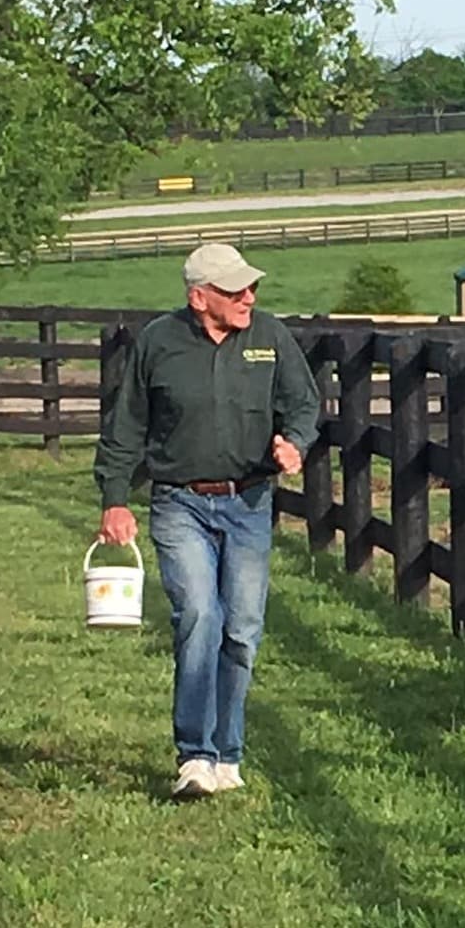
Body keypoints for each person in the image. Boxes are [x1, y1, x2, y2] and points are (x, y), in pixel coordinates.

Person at [93, 242, 320, 800]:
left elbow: (304, 405)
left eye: (251, 288)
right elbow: (126, 427)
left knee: (241, 628)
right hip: (180, 503)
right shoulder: (158, 344)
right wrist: (115, 499)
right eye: (234, 290)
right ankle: (194, 754)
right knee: (198, 613)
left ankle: (228, 752)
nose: (249, 297)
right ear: (200, 297)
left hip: (249, 505)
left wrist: (295, 443)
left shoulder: (270, 338)